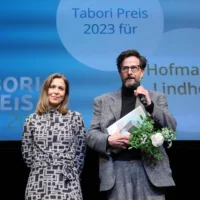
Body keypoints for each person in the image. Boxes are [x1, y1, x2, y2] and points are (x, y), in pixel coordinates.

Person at [87, 49, 177, 200]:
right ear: (120, 73)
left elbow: (171, 127)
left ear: (141, 72)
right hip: (116, 171)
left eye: (134, 68)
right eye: (125, 68)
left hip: (150, 169)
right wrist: (108, 140)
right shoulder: (103, 101)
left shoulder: (157, 97)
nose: (130, 72)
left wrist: (150, 105)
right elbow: (91, 135)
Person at [22, 73, 86, 200]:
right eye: (52, 87)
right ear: (46, 90)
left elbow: (80, 153)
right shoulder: (31, 120)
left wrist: (67, 170)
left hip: (67, 183)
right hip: (38, 183)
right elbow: (27, 154)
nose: (56, 92)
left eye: (61, 88)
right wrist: (43, 168)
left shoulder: (75, 118)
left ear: (65, 94)